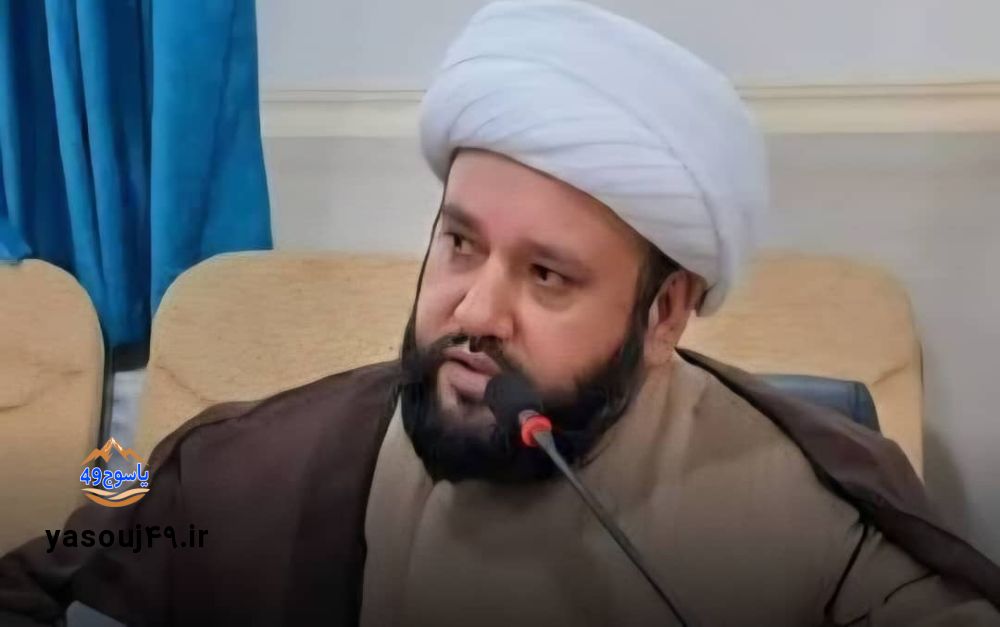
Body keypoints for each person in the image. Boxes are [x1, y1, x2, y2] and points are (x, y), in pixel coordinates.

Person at [2, 1, 999, 625]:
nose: (475, 311)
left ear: (665, 315)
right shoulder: (247, 467)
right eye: (460, 243)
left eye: (548, 276)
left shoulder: (815, 519)